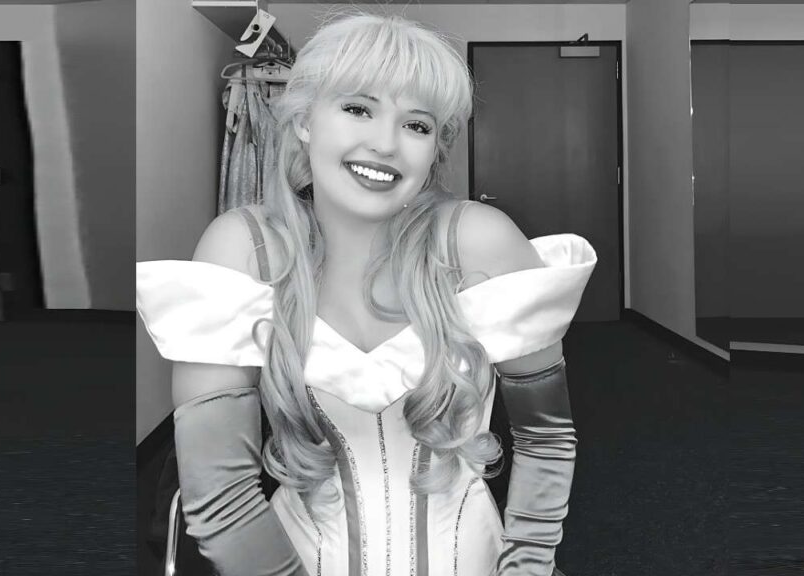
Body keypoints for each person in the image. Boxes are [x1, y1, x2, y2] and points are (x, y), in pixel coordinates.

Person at [137, 12, 597, 576]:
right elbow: (221, 495)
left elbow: (544, 438)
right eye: (358, 108)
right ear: (305, 121)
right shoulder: (243, 250)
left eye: (417, 125)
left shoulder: (482, 242)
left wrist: (525, 568)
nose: (385, 144)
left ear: (435, 147)